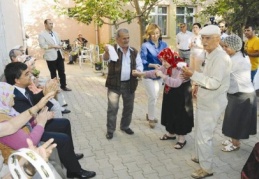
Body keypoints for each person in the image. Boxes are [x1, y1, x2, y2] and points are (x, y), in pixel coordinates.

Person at [4, 62, 96, 179]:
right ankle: (75, 171)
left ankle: (69, 155)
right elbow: (32, 116)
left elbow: (34, 103)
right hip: (30, 130)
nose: (31, 75)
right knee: (63, 139)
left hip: (34, 124)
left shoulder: (22, 89)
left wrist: (46, 93)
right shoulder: (15, 97)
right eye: (26, 74)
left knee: (65, 123)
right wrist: (48, 96)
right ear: (17, 80)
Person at [182, 25, 232, 178]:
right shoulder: (210, 54)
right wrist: (197, 84)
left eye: (208, 38)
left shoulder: (221, 57)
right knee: (199, 131)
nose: (204, 41)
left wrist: (193, 75)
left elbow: (214, 83)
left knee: (205, 135)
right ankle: (199, 156)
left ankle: (206, 168)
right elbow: (207, 76)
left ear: (217, 39)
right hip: (206, 100)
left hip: (213, 103)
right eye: (202, 38)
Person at [133, 48, 193, 149]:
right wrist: (141, 74)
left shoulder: (181, 67)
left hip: (181, 93)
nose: (163, 63)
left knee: (180, 114)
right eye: (162, 60)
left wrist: (163, 76)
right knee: (169, 111)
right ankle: (171, 133)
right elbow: (155, 72)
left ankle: (182, 139)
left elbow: (176, 83)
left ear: (171, 58)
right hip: (170, 91)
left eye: (165, 60)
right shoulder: (167, 65)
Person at [103, 28, 143, 140]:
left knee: (128, 108)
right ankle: (110, 130)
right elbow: (105, 59)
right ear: (117, 39)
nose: (126, 40)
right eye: (124, 38)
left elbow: (139, 65)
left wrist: (139, 71)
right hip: (114, 85)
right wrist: (106, 51)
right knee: (112, 109)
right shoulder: (112, 49)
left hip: (130, 84)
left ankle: (125, 126)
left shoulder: (134, 51)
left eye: (128, 38)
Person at [221, 35, 257, 152]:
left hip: (241, 94)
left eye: (227, 47)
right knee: (233, 118)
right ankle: (233, 140)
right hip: (241, 93)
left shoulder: (235, 60)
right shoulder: (241, 55)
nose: (224, 49)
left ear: (235, 47)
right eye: (224, 46)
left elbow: (221, 75)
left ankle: (235, 144)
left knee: (235, 120)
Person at [140, 23, 167, 128]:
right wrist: (153, 65)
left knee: (155, 97)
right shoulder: (145, 46)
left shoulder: (164, 45)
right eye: (152, 34)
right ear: (149, 35)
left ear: (160, 33)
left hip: (159, 75)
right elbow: (143, 61)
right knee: (152, 96)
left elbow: (168, 58)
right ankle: (151, 118)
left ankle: (149, 114)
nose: (155, 35)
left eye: (157, 33)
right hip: (148, 74)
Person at [38, 19, 72, 91]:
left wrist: (62, 45)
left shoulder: (55, 33)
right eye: (50, 23)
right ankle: (55, 88)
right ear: (45, 24)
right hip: (50, 56)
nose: (51, 25)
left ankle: (63, 86)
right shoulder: (42, 34)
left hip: (59, 54)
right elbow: (43, 46)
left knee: (62, 71)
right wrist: (53, 46)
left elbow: (59, 42)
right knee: (53, 73)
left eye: (52, 23)